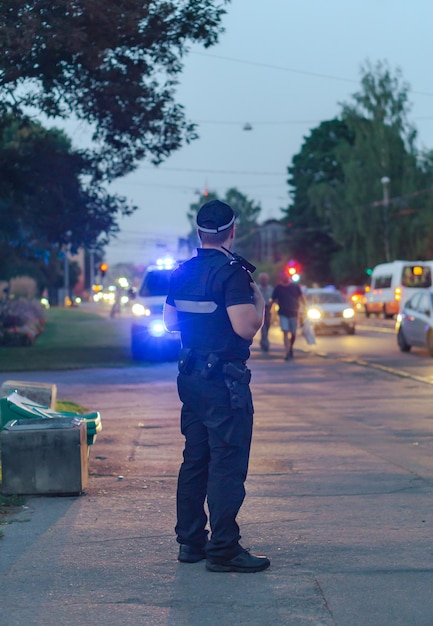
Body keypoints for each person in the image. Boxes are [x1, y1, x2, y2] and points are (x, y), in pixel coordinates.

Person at [163, 199, 271, 573]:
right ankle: (224, 549)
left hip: (190, 378)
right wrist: (260, 304)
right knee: (226, 463)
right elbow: (245, 327)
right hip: (224, 381)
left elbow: (169, 322)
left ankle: (191, 543)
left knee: (195, 459)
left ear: (198, 232)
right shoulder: (232, 273)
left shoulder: (181, 272)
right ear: (232, 231)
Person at [271, 272, 306, 360]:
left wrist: (305, 307)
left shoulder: (295, 286)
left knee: (293, 333)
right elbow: (273, 299)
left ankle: (290, 348)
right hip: (283, 313)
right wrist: (270, 311)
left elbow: (301, 297)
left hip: (294, 313)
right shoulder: (278, 288)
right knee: (285, 331)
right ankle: (287, 351)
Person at [257, 272, 273, 352]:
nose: (264, 281)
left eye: (265, 279)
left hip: (268, 309)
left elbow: (273, 299)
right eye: (262, 279)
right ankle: (265, 343)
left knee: (268, 326)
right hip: (260, 309)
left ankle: (263, 341)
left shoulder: (270, 289)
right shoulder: (257, 288)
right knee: (263, 328)